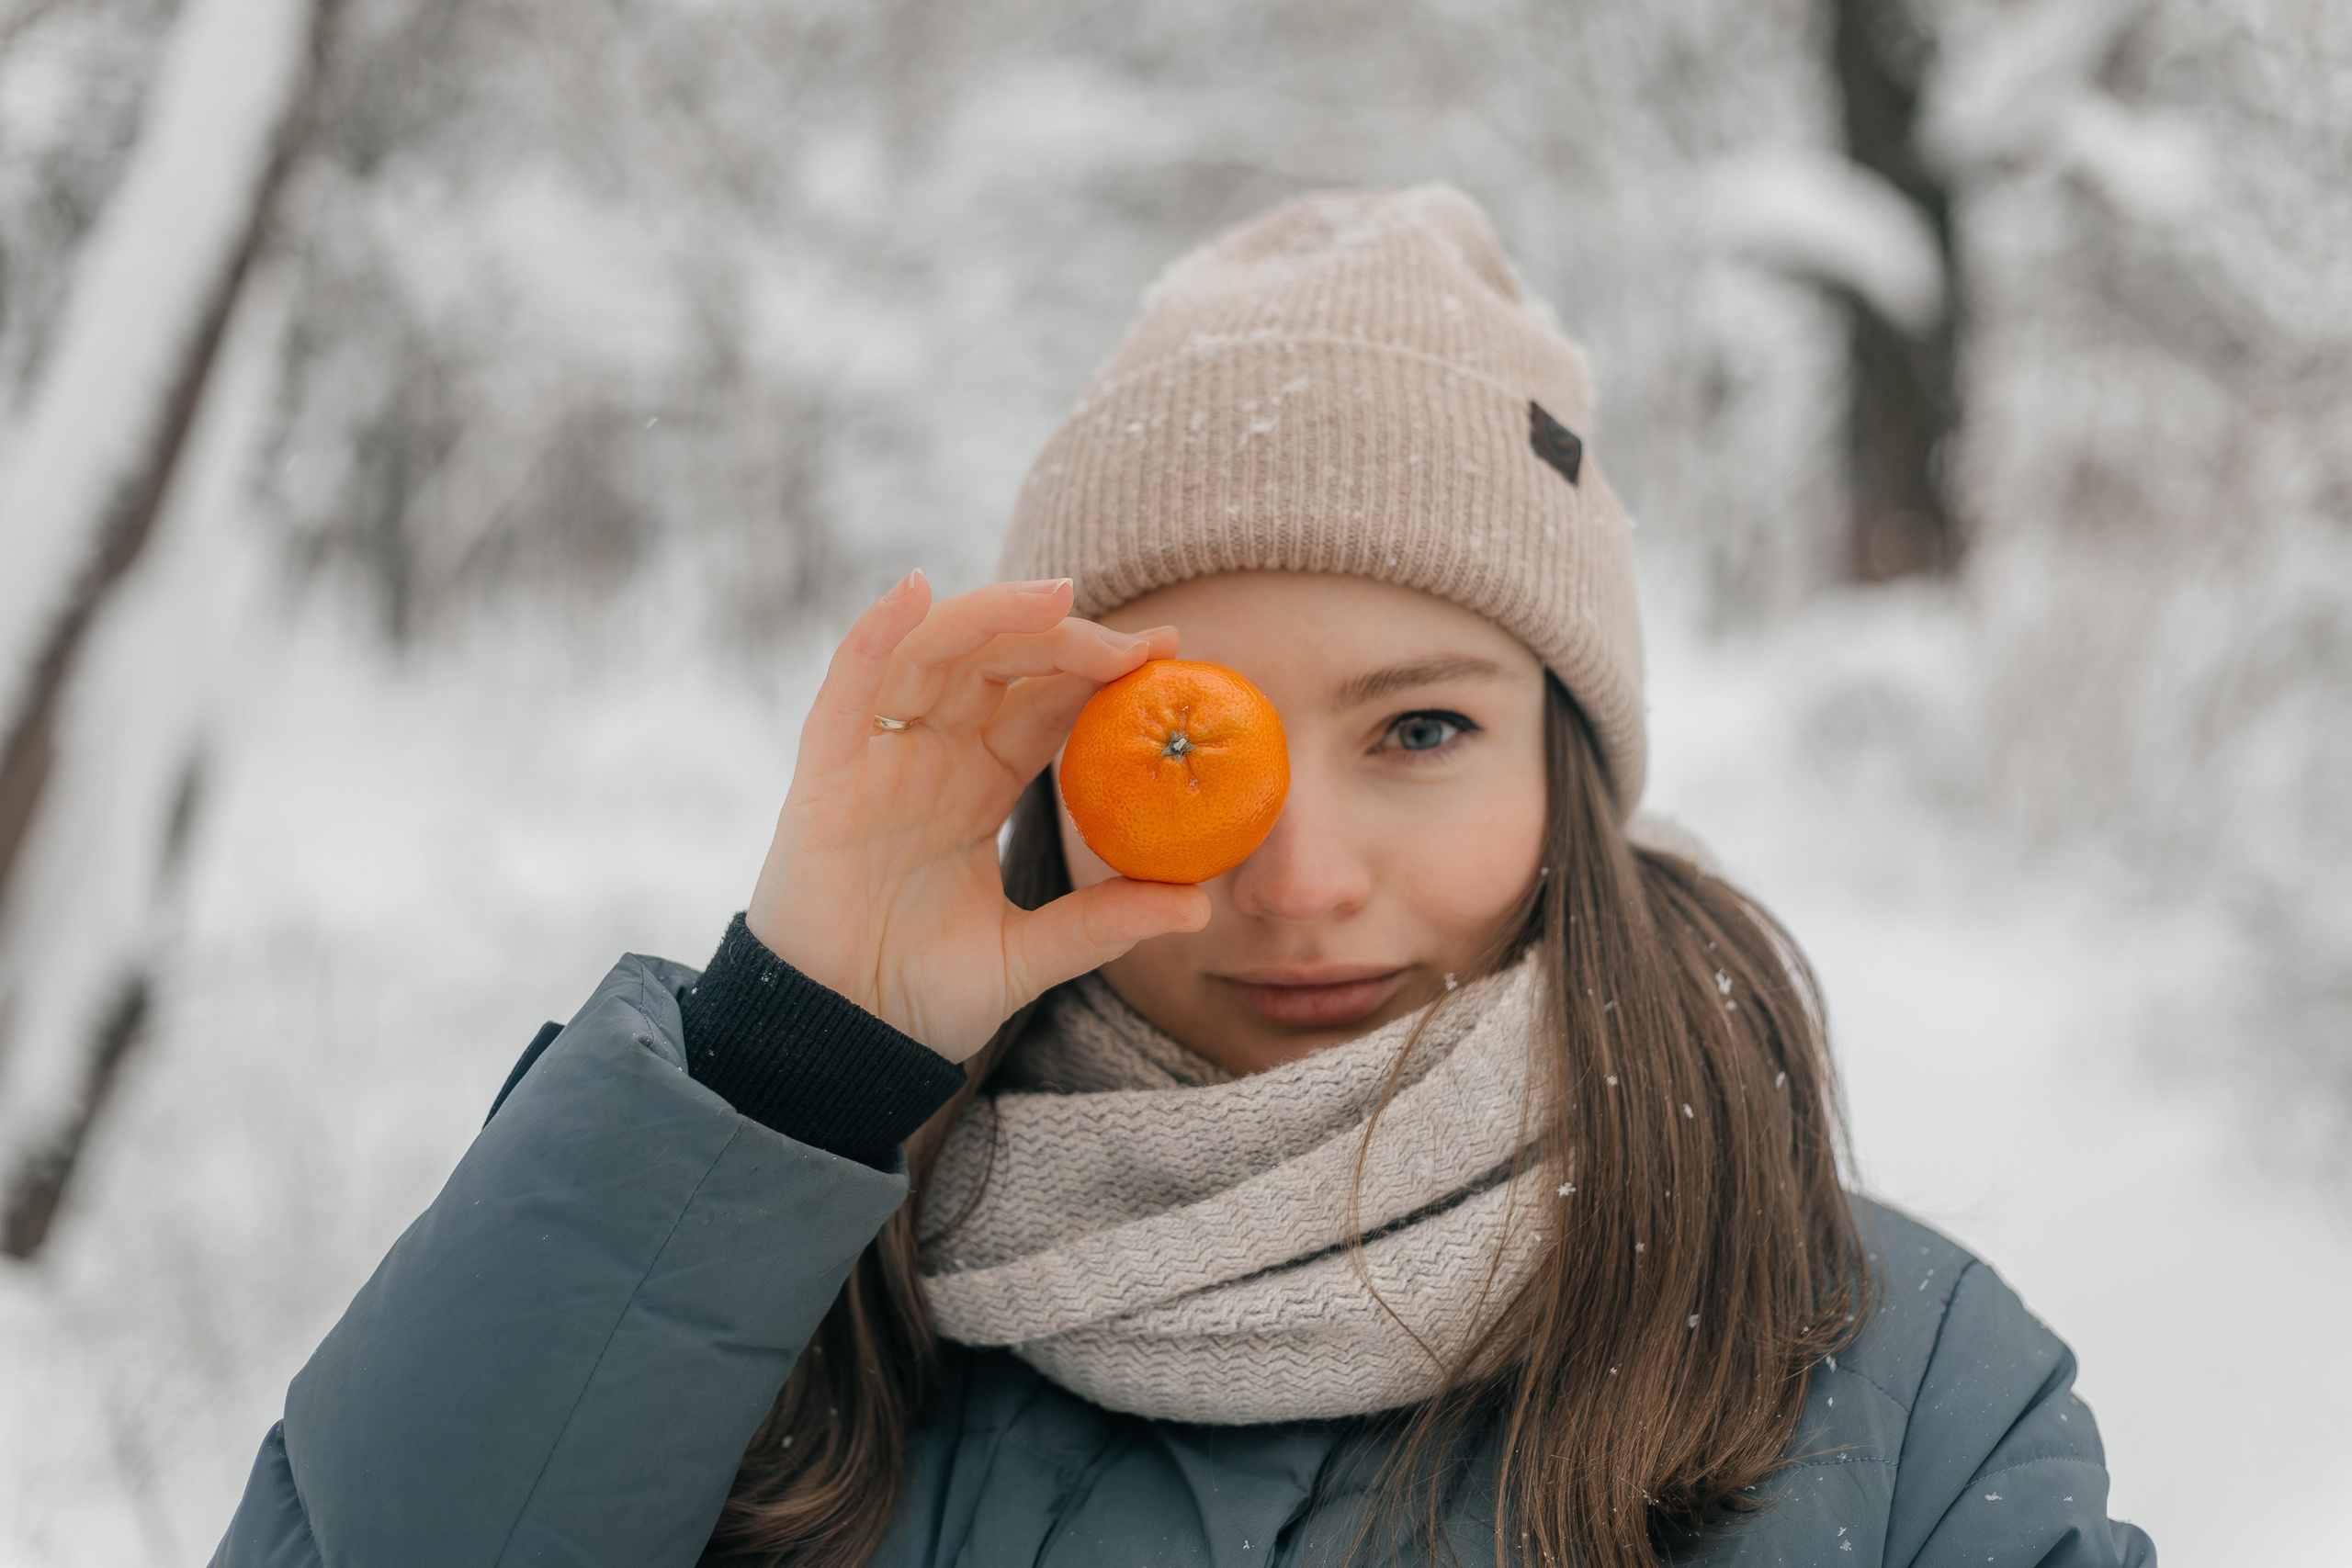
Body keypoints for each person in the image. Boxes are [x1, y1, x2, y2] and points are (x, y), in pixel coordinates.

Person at [210, 187, 2152, 1568]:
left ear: (1568, 770)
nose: (1299, 881)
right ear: (1052, 761)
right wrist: (778, 1066)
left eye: (1417, 731)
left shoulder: (1904, 1392)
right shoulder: (785, 1308)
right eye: (1188, 741)